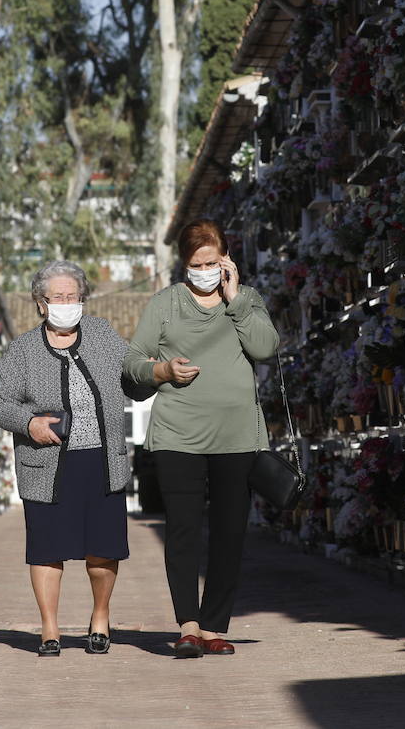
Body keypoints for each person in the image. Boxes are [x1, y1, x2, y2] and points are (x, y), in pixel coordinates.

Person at [124, 219, 279, 658]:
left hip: (237, 437)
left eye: (213, 262)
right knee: (184, 530)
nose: (205, 270)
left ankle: (215, 626)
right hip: (178, 435)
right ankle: (188, 625)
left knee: (230, 532)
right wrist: (162, 371)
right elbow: (133, 361)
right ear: (184, 264)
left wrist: (236, 300)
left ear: (226, 260)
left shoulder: (247, 301)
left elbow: (267, 348)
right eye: (197, 264)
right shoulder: (166, 304)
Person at [0, 260, 133, 657]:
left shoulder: (102, 334)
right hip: (48, 465)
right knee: (48, 549)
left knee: (103, 548)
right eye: (59, 297)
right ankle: (49, 629)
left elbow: (132, 372)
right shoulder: (23, 350)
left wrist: (161, 370)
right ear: (41, 303)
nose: (68, 303)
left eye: (74, 296)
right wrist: (28, 423)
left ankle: (100, 619)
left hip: (102, 461)